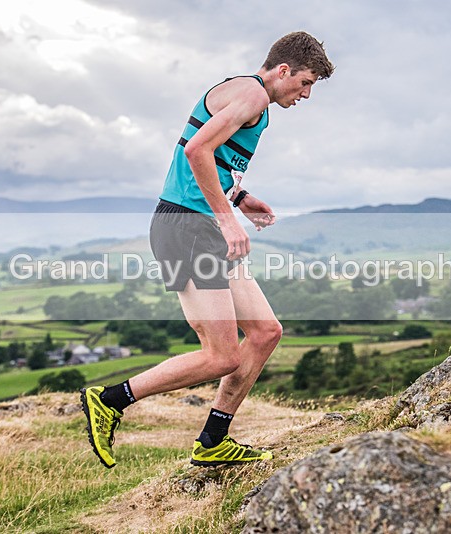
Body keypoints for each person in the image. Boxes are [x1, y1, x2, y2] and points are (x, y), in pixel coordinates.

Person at [81, 31, 334, 469]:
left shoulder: (251, 100)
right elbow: (197, 150)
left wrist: (240, 198)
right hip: (188, 226)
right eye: (305, 82)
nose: (306, 94)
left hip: (196, 225)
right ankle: (109, 400)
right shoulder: (252, 96)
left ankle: (213, 440)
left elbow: (207, 156)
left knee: (265, 332)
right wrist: (227, 219)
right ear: (283, 70)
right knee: (221, 356)